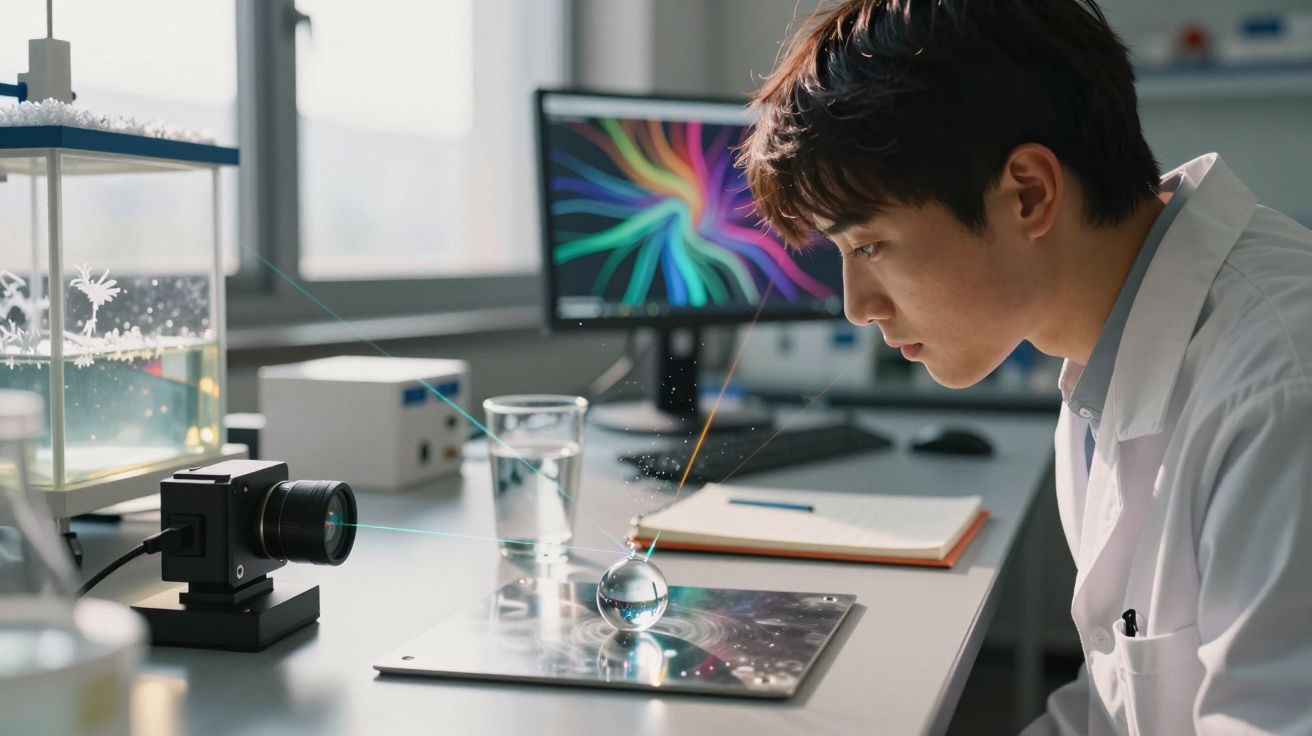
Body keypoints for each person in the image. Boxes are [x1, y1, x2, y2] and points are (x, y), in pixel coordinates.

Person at [738, 1, 1312, 733]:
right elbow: (1116, 702)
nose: (856, 306)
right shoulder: (1101, 359)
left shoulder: (1281, 394)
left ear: (1028, 194)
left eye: (870, 245)